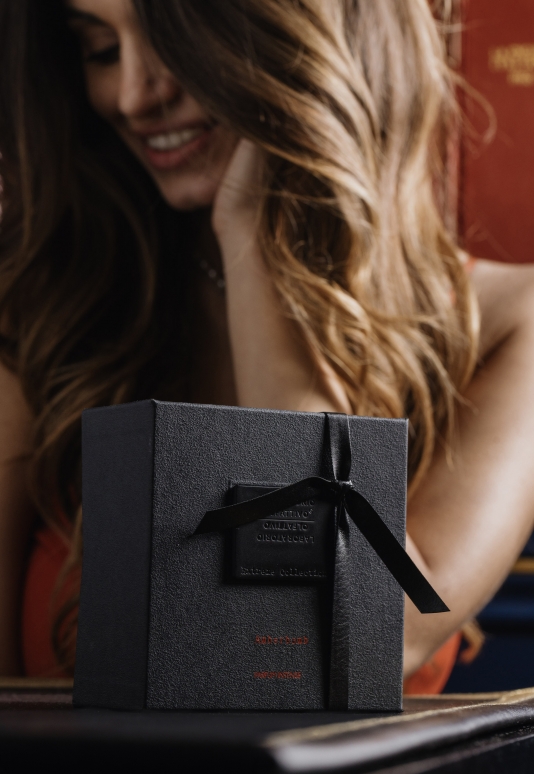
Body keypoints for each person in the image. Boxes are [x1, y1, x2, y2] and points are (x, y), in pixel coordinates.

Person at [0, 0, 533, 692]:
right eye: (100, 49)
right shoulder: (42, 318)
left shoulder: (510, 320)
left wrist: (255, 231)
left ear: (313, 36)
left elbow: (379, 632)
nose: (134, 95)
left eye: (174, 38)